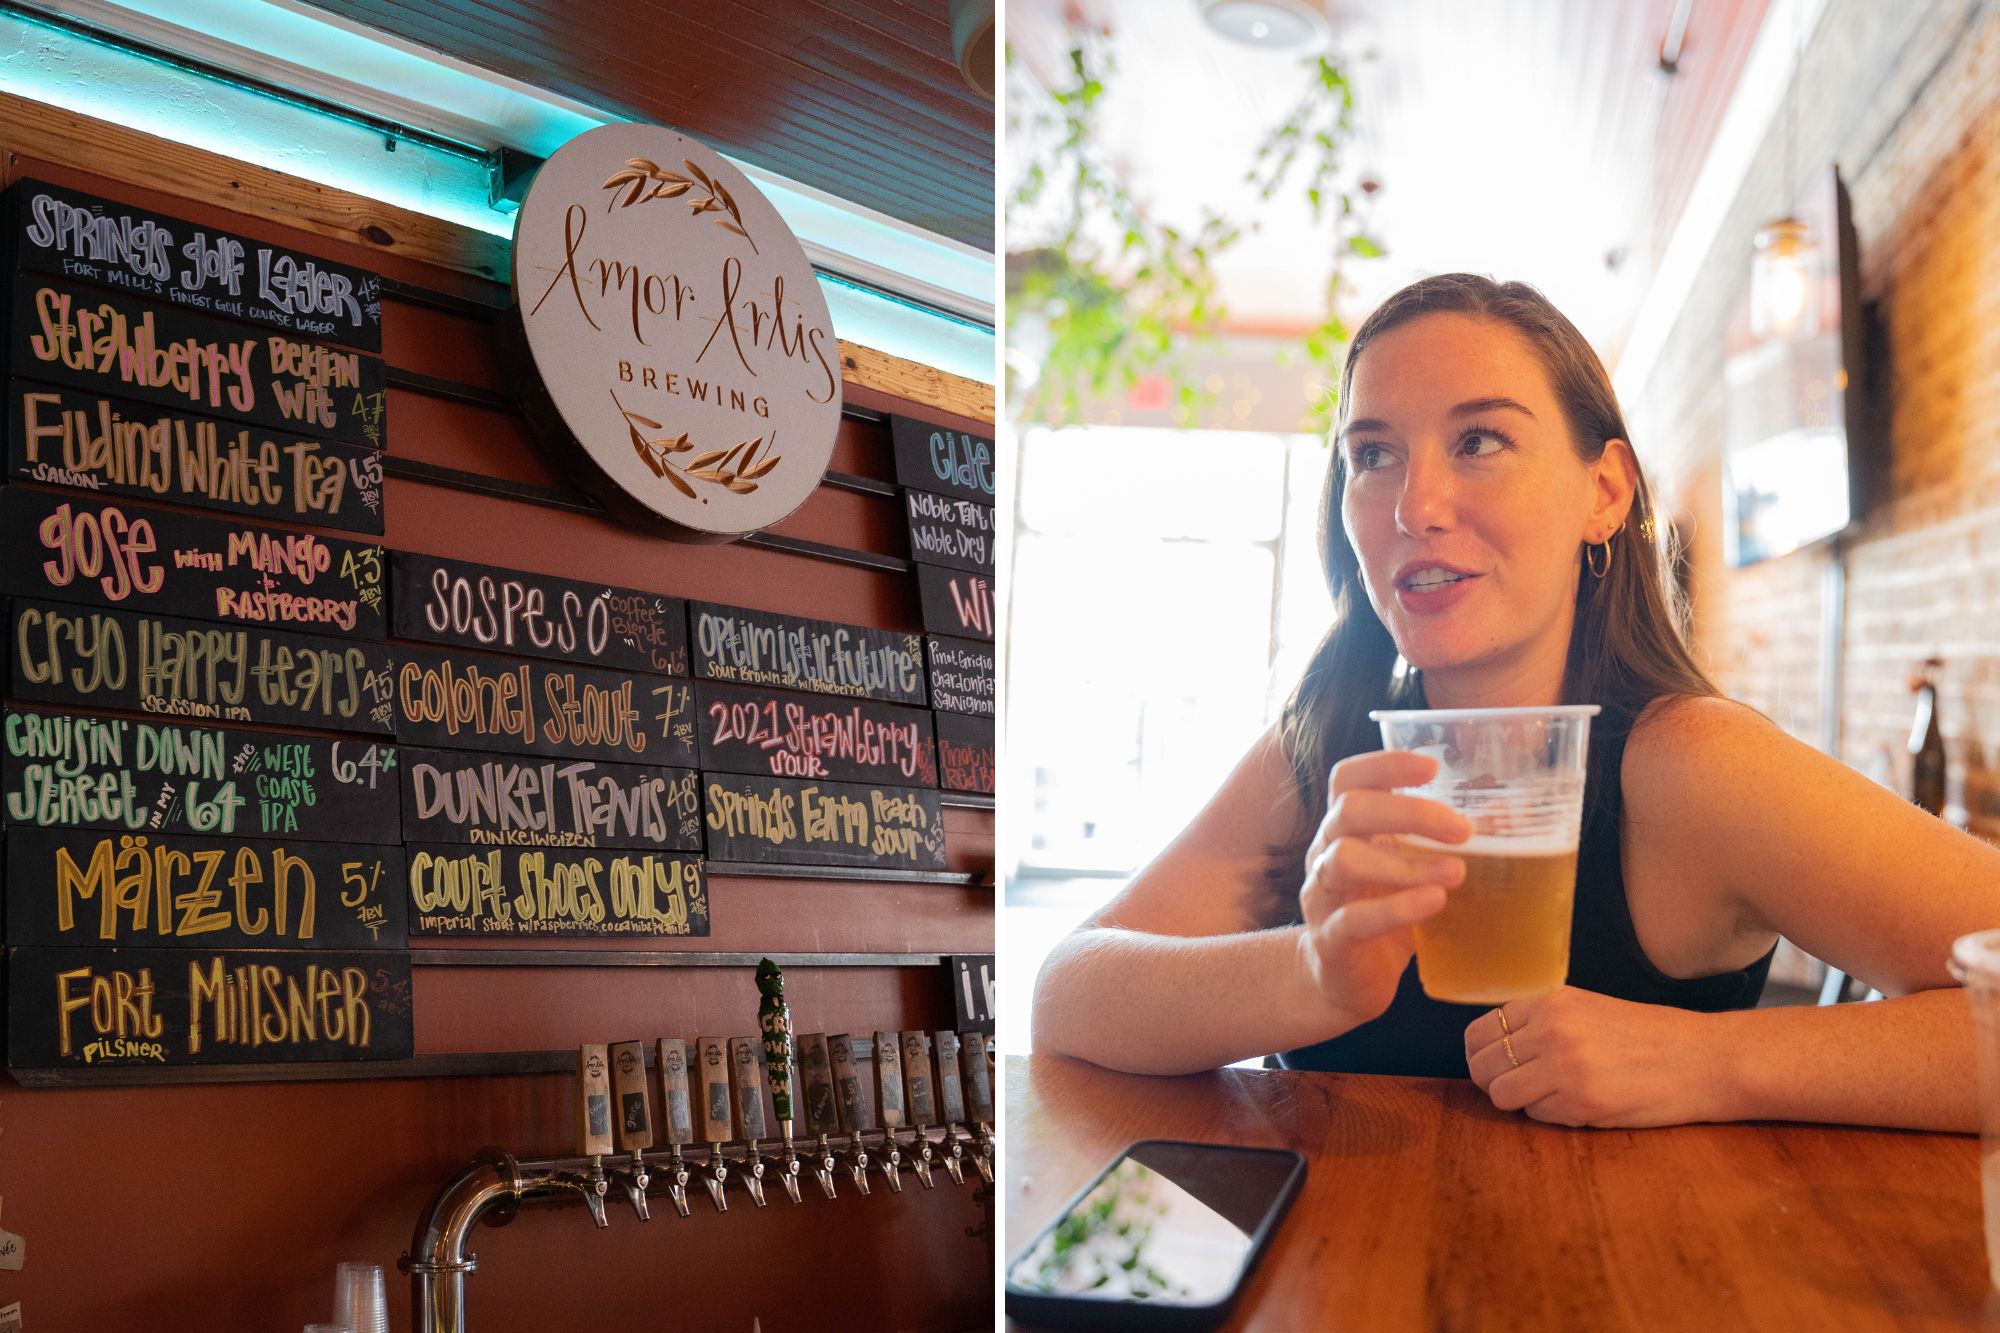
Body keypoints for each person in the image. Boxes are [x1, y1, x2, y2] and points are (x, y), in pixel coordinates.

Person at [1031, 273, 2000, 1132]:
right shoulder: (1325, 743)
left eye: (1479, 440)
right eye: (1370, 454)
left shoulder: (1686, 762)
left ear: (1603, 492)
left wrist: (1708, 1062)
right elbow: (1066, 996)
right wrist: (1308, 973)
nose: (1413, 504)